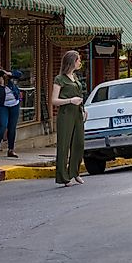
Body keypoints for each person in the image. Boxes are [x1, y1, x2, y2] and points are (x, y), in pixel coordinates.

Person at [52, 51, 86, 186]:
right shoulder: (60, 79)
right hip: (66, 114)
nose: (80, 63)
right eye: (78, 60)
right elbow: (54, 100)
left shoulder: (75, 77)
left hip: (77, 113)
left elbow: (79, 95)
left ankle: (74, 172)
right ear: (72, 61)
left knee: (79, 143)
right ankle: (63, 177)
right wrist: (70, 101)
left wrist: (83, 110)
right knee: (64, 145)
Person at [0, 68, 22, 158]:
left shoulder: (8, 78)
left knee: (12, 127)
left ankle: (11, 150)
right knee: (2, 125)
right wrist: (1, 84)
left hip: (14, 104)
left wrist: (8, 73)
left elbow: (19, 74)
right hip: (1, 105)